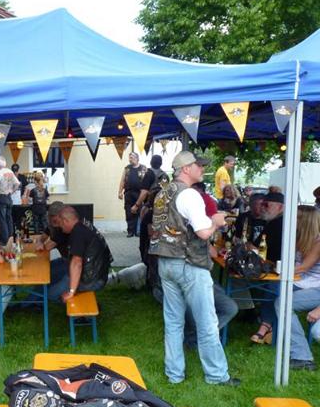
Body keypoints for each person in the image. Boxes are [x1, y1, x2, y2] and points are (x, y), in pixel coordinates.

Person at [149, 151, 238, 386]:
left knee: (173, 322)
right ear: (186, 169)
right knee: (207, 322)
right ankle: (217, 375)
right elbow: (203, 232)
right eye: (199, 165)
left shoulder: (162, 193)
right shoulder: (190, 194)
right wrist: (216, 222)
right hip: (189, 263)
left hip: (165, 261)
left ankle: (174, 374)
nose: (203, 169)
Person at [274, 205, 320, 370]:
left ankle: (302, 356)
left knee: (283, 303)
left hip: (316, 289)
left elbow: (303, 267)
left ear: (303, 221)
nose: (290, 220)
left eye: (295, 217)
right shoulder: (300, 238)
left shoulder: (318, 241)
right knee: (273, 291)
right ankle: (267, 329)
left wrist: (276, 270)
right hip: (304, 283)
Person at [49, 206, 112, 303]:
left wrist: (71, 292)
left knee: (51, 294)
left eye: (60, 223)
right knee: (53, 271)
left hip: (91, 280)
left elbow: (77, 263)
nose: (60, 227)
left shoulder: (78, 233)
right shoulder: (82, 224)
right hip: (97, 274)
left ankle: (84, 310)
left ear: (65, 221)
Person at [249, 191, 285, 344]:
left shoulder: (283, 224)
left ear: (281, 207)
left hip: (284, 270)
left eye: (267, 205)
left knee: (272, 287)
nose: (262, 208)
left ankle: (265, 326)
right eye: (262, 204)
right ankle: (252, 313)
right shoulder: (271, 222)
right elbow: (255, 245)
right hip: (271, 267)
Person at [118, 152, 153, 237]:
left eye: (132, 157)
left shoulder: (143, 168)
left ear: (137, 158)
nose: (130, 159)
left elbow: (148, 181)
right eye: (129, 157)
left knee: (140, 212)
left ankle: (138, 231)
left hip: (140, 194)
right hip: (128, 193)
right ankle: (130, 231)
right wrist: (120, 192)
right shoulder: (127, 169)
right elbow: (122, 181)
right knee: (128, 212)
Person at [0, 156, 21, 244]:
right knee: (9, 218)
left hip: (1, 197)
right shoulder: (10, 172)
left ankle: (5, 240)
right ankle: (11, 239)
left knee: (2, 220)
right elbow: (17, 183)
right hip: (9, 197)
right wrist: (12, 191)